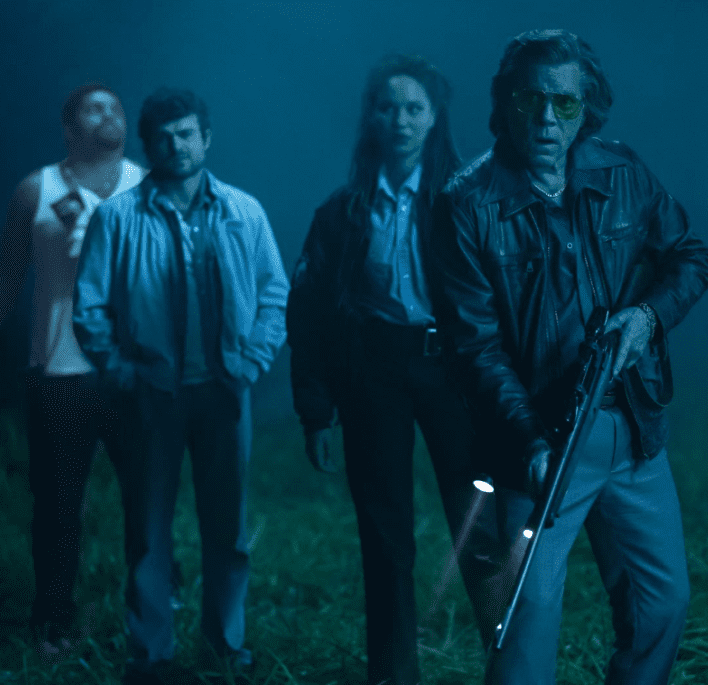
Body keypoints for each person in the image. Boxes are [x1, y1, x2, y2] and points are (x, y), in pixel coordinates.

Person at [431, 30, 708, 685]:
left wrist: (646, 318)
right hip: (538, 440)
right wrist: (529, 440)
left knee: (663, 601)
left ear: (587, 108)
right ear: (506, 102)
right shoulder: (467, 203)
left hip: (631, 426)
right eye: (530, 100)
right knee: (527, 614)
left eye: (564, 103)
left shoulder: (623, 172)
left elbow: (691, 256)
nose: (546, 120)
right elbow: (475, 346)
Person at [287, 54, 498, 685]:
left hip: (452, 371)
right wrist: (316, 412)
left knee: (479, 523)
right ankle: (392, 675)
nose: (400, 120)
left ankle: (511, 661)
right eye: (387, 107)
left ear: (434, 117)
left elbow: (504, 302)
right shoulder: (343, 212)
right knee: (384, 535)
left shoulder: (467, 201)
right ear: (371, 117)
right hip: (374, 373)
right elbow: (309, 315)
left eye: (413, 108)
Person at [73, 88, 289, 684]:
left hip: (224, 391)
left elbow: (274, 293)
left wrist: (252, 361)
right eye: (164, 137)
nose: (177, 145)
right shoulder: (117, 217)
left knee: (229, 530)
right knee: (147, 531)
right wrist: (122, 371)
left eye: (187, 133)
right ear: (148, 146)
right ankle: (151, 658)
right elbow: (89, 306)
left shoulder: (244, 211)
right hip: (151, 396)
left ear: (207, 138)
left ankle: (225, 647)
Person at [0, 83, 145, 659]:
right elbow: (8, 268)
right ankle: (53, 624)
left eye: (115, 106)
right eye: (95, 107)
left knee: (147, 497)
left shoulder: (147, 185)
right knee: (57, 505)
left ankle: (150, 620)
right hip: (59, 367)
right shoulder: (37, 189)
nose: (109, 113)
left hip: (131, 370)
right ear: (69, 127)